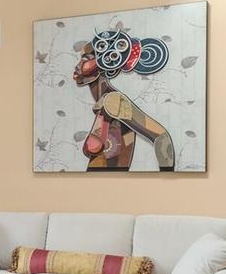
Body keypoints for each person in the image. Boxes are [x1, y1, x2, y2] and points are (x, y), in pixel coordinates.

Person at [73, 30, 177, 171]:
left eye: (86, 59)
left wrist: (167, 173)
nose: (77, 65)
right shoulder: (106, 101)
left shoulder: (113, 100)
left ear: (105, 63)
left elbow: (161, 136)